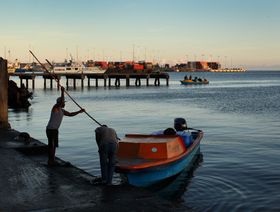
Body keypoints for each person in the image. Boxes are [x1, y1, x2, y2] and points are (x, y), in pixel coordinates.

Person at [46, 86, 85, 166]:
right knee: (51, 145)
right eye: (63, 102)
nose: (64, 104)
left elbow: (70, 114)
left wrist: (80, 111)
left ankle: (52, 160)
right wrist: (62, 92)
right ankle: (50, 161)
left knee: (54, 146)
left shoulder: (62, 111)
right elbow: (60, 103)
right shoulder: (55, 107)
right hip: (50, 129)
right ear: (60, 102)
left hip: (55, 130)